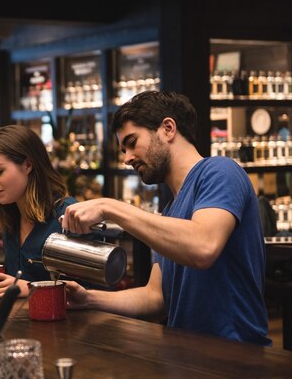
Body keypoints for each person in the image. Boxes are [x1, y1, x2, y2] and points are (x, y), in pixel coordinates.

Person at [61, 91, 271, 346]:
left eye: (132, 141)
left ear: (168, 128)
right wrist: (89, 299)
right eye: (123, 149)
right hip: (184, 356)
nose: (127, 158)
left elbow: (203, 246)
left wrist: (111, 207)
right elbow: (156, 298)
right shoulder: (170, 212)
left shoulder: (220, 171)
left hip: (236, 356)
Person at [0, 125, 76, 298]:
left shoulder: (68, 215)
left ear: (28, 164)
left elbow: (92, 294)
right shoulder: (10, 216)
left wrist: (31, 288)